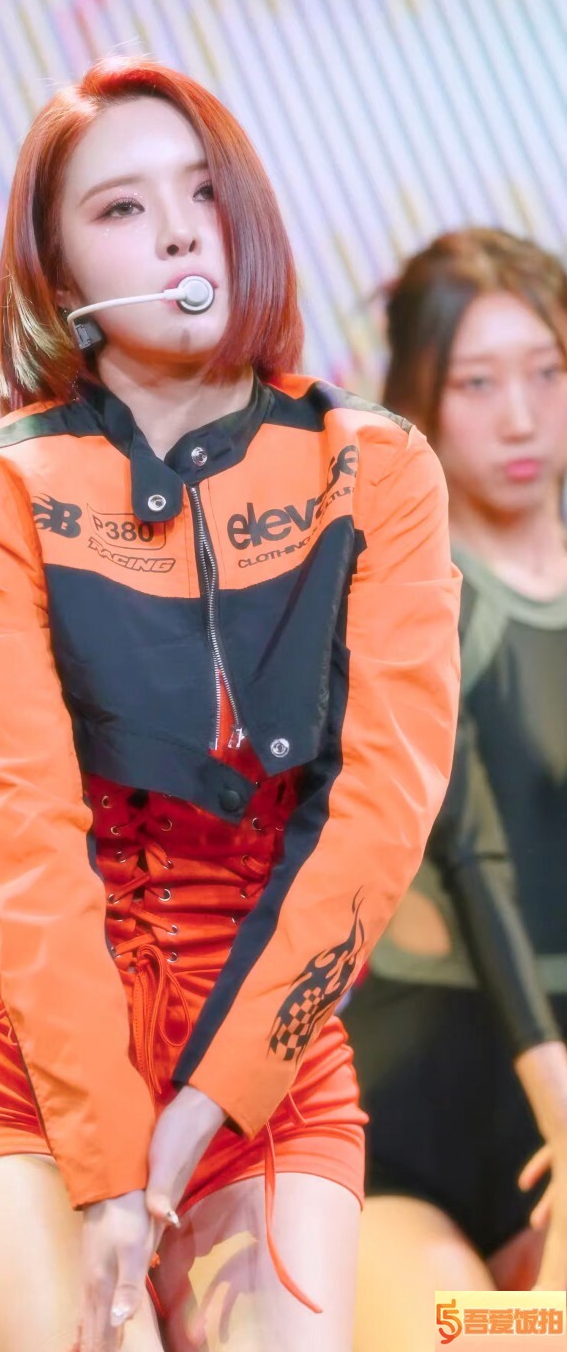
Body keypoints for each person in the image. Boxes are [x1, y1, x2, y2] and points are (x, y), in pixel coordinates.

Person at [0, 56, 460, 1352]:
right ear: (59, 278)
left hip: (267, 1073)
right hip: (32, 1080)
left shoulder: (374, 469)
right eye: (121, 207)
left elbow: (377, 816)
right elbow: (16, 845)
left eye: (202, 190)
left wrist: (204, 1108)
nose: (177, 230)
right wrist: (108, 1166)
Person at [344, 228, 567, 1352]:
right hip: (415, 1103)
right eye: (478, 384)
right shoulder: (403, 602)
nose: (521, 417)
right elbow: (473, 861)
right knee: (475, 1337)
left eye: (547, 371)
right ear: (421, 397)